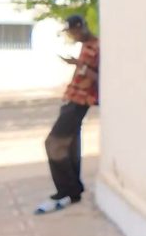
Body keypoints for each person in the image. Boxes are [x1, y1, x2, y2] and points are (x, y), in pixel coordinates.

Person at [34, 14, 100, 215]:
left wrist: (80, 65)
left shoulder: (98, 46)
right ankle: (74, 191)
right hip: (71, 100)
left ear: (81, 27)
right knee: (70, 146)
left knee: (53, 143)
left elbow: (100, 76)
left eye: (73, 31)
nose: (72, 36)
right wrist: (76, 64)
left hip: (80, 103)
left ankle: (64, 191)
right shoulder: (85, 46)